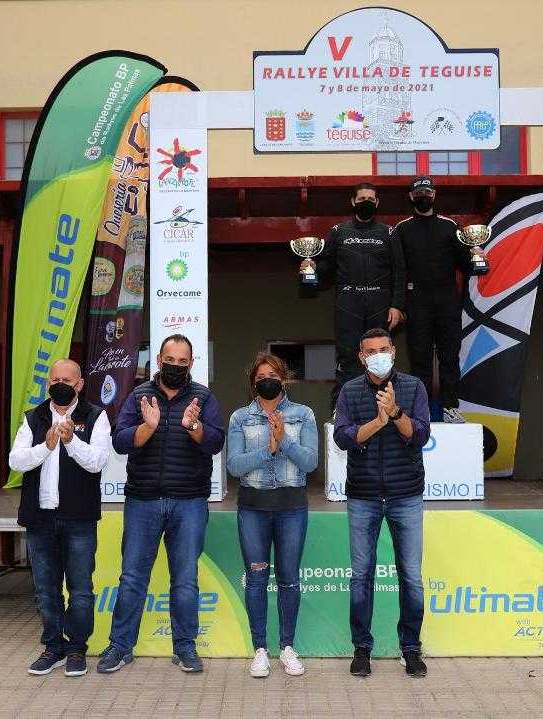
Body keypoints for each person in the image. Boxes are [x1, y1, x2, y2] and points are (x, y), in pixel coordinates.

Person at [99, 334, 225, 674]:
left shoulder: (203, 397)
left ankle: (185, 647)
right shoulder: (139, 395)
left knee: (185, 580)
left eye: (183, 361)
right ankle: (120, 646)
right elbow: (120, 441)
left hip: (189, 502)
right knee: (132, 578)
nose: (176, 366)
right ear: (158, 360)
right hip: (143, 501)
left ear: (191, 363)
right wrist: (147, 427)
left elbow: (215, 442)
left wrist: (194, 425)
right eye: (171, 360)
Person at [334, 328, 431, 678]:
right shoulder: (350, 391)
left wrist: (396, 412)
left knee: (411, 577)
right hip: (364, 497)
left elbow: (420, 435)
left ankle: (411, 648)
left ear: (393, 351)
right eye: (371, 351)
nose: (378, 355)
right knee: (361, 576)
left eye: (383, 349)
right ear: (362, 357)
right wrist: (378, 421)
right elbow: (342, 437)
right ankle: (362, 649)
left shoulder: (414, 387)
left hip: (406, 496)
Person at [8, 358, 111, 677]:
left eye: (68, 380)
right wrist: (47, 445)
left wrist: (70, 441)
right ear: (48, 383)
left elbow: (98, 462)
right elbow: (16, 461)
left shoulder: (95, 416)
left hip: (79, 518)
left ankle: (77, 649)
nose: (61, 385)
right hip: (40, 519)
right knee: (45, 590)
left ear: (80, 384)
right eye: (55, 380)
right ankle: (53, 647)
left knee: (80, 589)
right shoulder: (33, 417)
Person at [227, 352, 318, 678]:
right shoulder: (240, 418)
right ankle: (260, 650)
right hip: (253, 509)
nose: (268, 381)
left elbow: (310, 462)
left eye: (274, 376)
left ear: (284, 380)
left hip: (292, 509)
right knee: (256, 579)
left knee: (289, 579)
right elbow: (234, 466)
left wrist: (285, 442)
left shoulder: (303, 414)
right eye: (262, 377)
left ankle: (288, 647)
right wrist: (269, 449)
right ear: (253, 382)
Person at [300, 182, 407, 408]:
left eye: (370, 199)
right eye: (361, 199)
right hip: (348, 302)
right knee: (348, 356)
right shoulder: (339, 231)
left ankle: (382, 407)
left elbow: (400, 271)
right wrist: (311, 269)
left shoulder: (389, 232)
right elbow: (326, 268)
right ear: (353, 202)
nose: (366, 202)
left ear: (377, 203)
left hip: (380, 303)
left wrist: (397, 305)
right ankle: (342, 409)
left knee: (380, 357)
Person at [394, 176, 485, 423]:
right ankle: (420, 410)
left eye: (427, 192)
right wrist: (399, 304)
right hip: (417, 300)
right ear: (411, 197)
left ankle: (450, 407)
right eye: (419, 193)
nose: (423, 196)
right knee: (419, 358)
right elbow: (398, 270)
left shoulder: (450, 226)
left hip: (447, 300)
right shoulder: (402, 229)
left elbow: (465, 264)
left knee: (450, 356)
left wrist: (476, 255)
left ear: (434, 195)